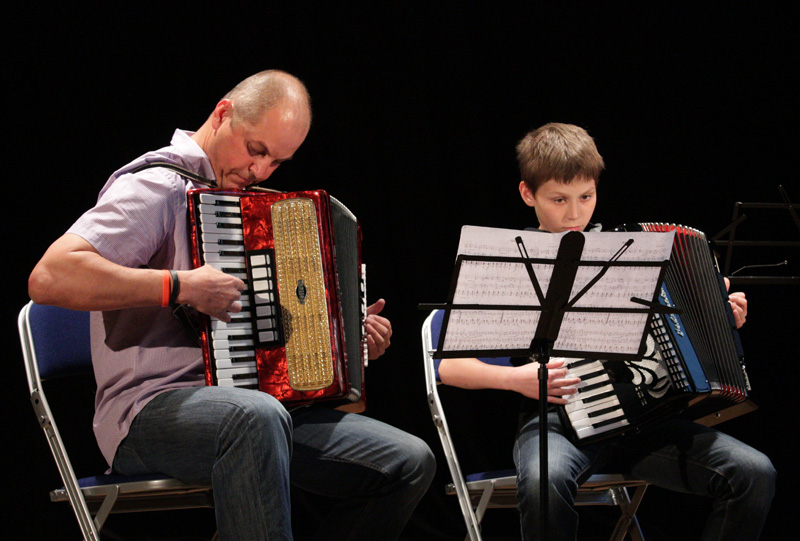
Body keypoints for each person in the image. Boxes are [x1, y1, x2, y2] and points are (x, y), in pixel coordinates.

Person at [28, 70, 435, 540]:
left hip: (261, 411)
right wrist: (178, 286)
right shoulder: (156, 186)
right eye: (255, 150)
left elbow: (272, 337)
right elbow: (51, 276)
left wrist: (344, 340)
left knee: (407, 462)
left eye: (277, 162)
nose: (260, 171)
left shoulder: (254, 206)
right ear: (223, 114)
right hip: (148, 412)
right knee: (254, 417)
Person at [436, 123, 775, 540]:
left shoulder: (631, 253)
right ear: (527, 194)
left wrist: (719, 316)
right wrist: (517, 378)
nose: (574, 213)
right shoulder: (507, 262)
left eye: (586, 196)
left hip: (645, 424)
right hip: (557, 424)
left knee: (753, 473)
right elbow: (449, 368)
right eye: (558, 199)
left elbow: (681, 331)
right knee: (544, 483)